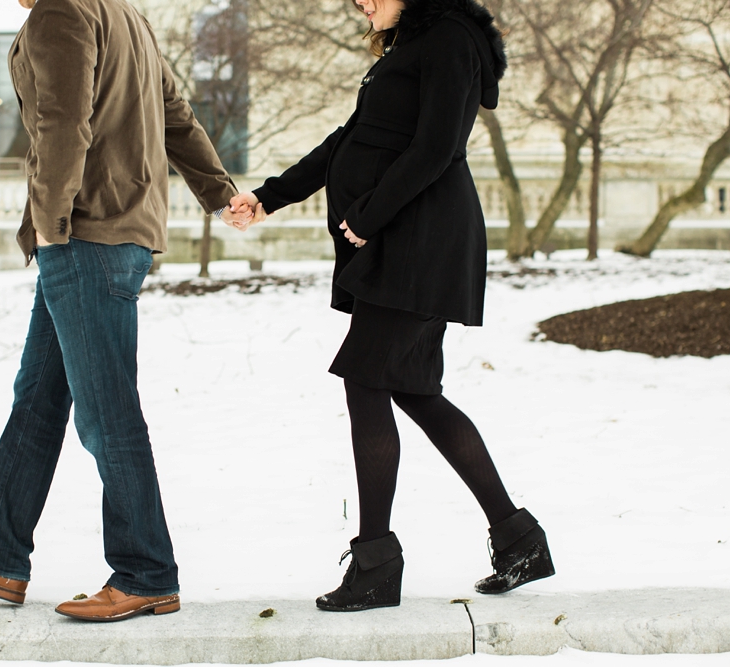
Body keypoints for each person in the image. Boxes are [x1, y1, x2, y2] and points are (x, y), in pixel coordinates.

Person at [0, 0, 253, 623]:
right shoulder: (125, 14)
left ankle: (146, 572)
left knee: (106, 411)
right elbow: (174, 116)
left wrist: (50, 222)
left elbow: (62, 122)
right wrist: (220, 191)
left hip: (84, 233)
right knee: (39, 397)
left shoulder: (60, 12)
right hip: (117, 231)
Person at [232, 0, 554, 611]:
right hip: (404, 241)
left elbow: (436, 147)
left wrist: (366, 217)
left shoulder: (451, 41)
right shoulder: (411, 45)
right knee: (411, 389)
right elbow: (349, 141)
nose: (359, 0)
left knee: (367, 380)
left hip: (422, 241)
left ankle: (378, 561)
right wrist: (269, 197)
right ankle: (518, 540)